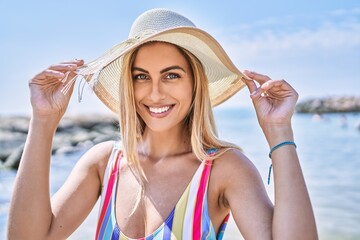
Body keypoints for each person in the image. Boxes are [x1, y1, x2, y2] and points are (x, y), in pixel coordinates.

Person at [7, 8, 318, 240]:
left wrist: (279, 131)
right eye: (141, 76)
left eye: (172, 75)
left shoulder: (223, 170)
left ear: (196, 83)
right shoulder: (104, 165)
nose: (155, 93)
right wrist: (43, 122)